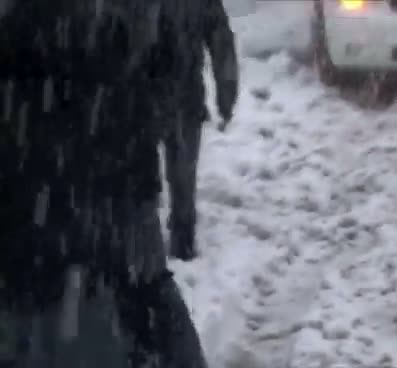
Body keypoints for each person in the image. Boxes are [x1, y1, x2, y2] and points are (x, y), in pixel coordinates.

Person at [0, 1, 232, 366]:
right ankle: (182, 234)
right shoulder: (107, 43)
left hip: (56, 285)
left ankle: (183, 234)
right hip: (94, 286)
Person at [164, 0, 239, 261]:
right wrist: (226, 92)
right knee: (182, 175)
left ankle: (176, 237)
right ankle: (181, 239)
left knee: (171, 175)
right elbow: (221, 40)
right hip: (177, 95)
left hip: (156, 95)